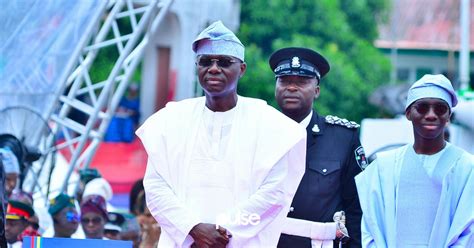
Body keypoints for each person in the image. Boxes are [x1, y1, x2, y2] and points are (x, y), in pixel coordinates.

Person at [136, 21, 306, 247]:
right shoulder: (170, 120)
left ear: (242, 69)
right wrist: (194, 229)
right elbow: (156, 189)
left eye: (225, 62)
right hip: (184, 242)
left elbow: (275, 194)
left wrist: (222, 233)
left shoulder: (270, 124)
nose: (214, 68)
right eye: (206, 61)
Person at [355, 74, 474, 247]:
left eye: (440, 108)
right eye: (422, 107)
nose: (431, 115)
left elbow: (469, 234)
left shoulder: (468, 168)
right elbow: (371, 229)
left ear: (449, 115)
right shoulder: (384, 167)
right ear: (408, 113)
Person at [270, 47, 365, 248]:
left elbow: (356, 209)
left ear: (317, 90)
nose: (292, 88)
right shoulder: (257, 133)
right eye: (285, 81)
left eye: (302, 82)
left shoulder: (343, 138)